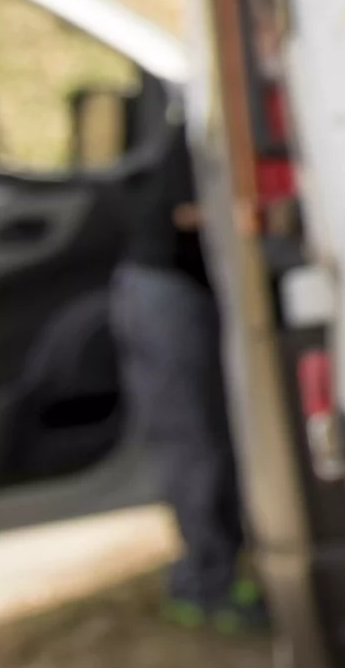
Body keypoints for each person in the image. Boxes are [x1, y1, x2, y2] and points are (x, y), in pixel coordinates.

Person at [110, 125, 261, 631]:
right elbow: (186, 213)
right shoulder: (202, 125)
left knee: (210, 438)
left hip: (174, 292)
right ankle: (204, 586)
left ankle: (216, 572)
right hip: (166, 293)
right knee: (194, 443)